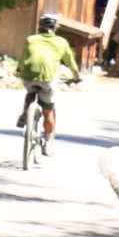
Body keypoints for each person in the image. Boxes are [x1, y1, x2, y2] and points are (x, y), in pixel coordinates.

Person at [16, 12, 81, 156]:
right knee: (48, 110)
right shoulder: (62, 42)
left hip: (28, 77)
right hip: (48, 80)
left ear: (40, 26)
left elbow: (22, 59)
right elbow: (71, 62)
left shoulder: (30, 39)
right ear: (55, 28)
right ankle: (48, 140)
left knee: (30, 90)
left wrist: (18, 69)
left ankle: (25, 113)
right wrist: (77, 76)